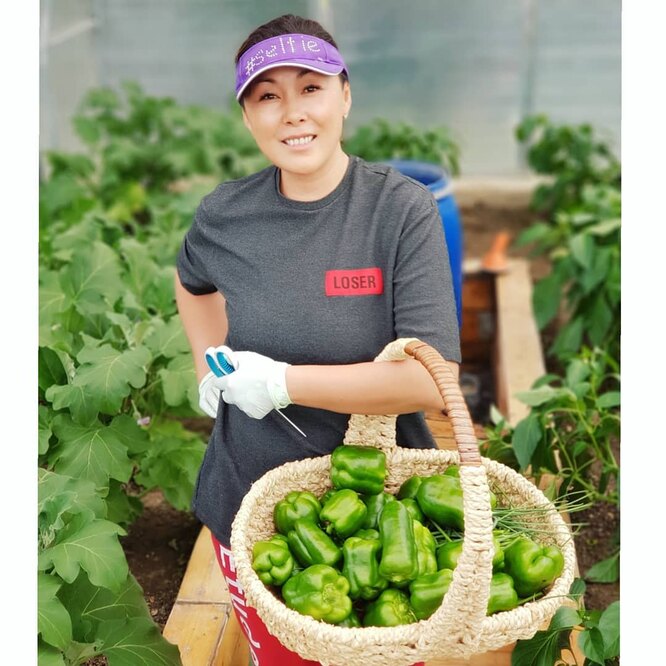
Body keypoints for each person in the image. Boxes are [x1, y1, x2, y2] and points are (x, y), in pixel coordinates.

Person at [175, 13, 461, 666]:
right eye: (267, 95)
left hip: (377, 520)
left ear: (345, 96)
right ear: (247, 116)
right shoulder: (226, 214)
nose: (292, 113)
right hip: (250, 501)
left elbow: (430, 377)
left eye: (310, 88)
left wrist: (281, 382)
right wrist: (207, 367)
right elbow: (191, 284)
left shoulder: (399, 211)